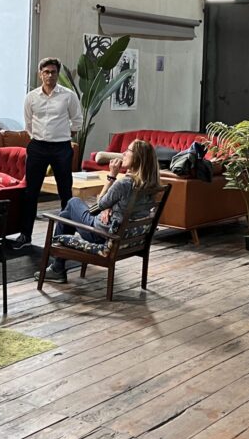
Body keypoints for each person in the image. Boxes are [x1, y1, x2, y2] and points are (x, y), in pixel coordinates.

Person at [39, 139, 161, 283]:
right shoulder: (151, 185)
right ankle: (56, 268)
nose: (124, 153)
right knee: (66, 215)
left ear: (138, 158)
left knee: (73, 202)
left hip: (101, 234)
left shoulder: (124, 183)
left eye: (128, 150)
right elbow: (117, 206)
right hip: (129, 239)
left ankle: (57, 268)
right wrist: (110, 207)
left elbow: (96, 207)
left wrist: (112, 176)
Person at [13, 57, 83, 249]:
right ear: (40, 74)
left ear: (57, 74)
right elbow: (28, 122)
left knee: (65, 192)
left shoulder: (68, 96)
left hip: (61, 147)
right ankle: (25, 235)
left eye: (53, 72)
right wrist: (38, 137)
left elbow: (77, 120)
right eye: (46, 72)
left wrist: (63, 135)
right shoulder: (31, 97)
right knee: (30, 192)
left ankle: (65, 236)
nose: (50, 75)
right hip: (37, 147)